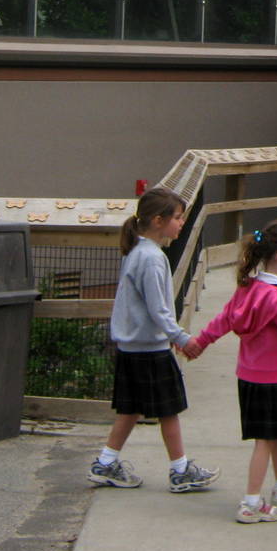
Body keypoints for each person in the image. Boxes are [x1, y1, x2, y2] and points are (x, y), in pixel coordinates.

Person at [184, 218, 277, 523]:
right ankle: (251, 501)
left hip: (251, 376)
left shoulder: (248, 288)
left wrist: (201, 342)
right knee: (266, 441)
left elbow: (224, 319)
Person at [88, 188, 219, 495]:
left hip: (131, 347)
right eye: (177, 217)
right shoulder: (152, 258)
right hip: (150, 349)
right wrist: (181, 337)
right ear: (158, 221)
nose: (182, 223)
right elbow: (158, 308)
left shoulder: (137, 251)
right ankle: (180, 470)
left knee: (131, 408)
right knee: (168, 409)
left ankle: (105, 462)